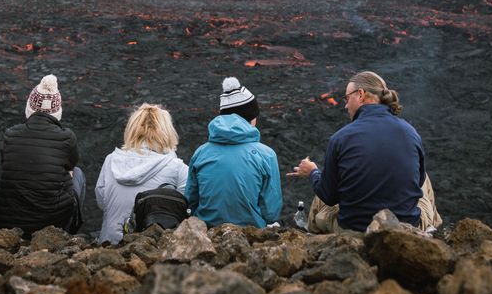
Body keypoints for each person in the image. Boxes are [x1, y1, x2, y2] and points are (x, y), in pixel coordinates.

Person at [287, 71, 441, 232]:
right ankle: (432, 233)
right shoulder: (410, 132)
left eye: (347, 98)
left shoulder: (341, 138)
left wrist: (312, 172)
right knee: (424, 180)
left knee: (323, 182)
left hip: (355, 231)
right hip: (405, 229)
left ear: (360, 94)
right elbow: (418, 181)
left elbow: (329, 196)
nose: (346, 105)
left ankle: (311, 232)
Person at [0, 74, 84, 235]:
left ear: (30, 108)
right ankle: (70, 232)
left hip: (7, 225)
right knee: (78, 173)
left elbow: (5, 165)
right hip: (52, 225)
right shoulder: (67, 137)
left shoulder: (10, 134)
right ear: (57, 112)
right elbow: (71, 166)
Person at [185, 77, 282, 227]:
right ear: (251, 117)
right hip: (251, 234)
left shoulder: (200, 153)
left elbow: (190, 202)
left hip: (207, 233)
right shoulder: (266, 155)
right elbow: (271, 212)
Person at [95, 103, 189, 244]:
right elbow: (186, 211)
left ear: (131, 130)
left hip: (109, 246)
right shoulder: (177, 168)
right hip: (153, 250)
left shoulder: (111, 161)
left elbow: (102, 203)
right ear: (168, 132)